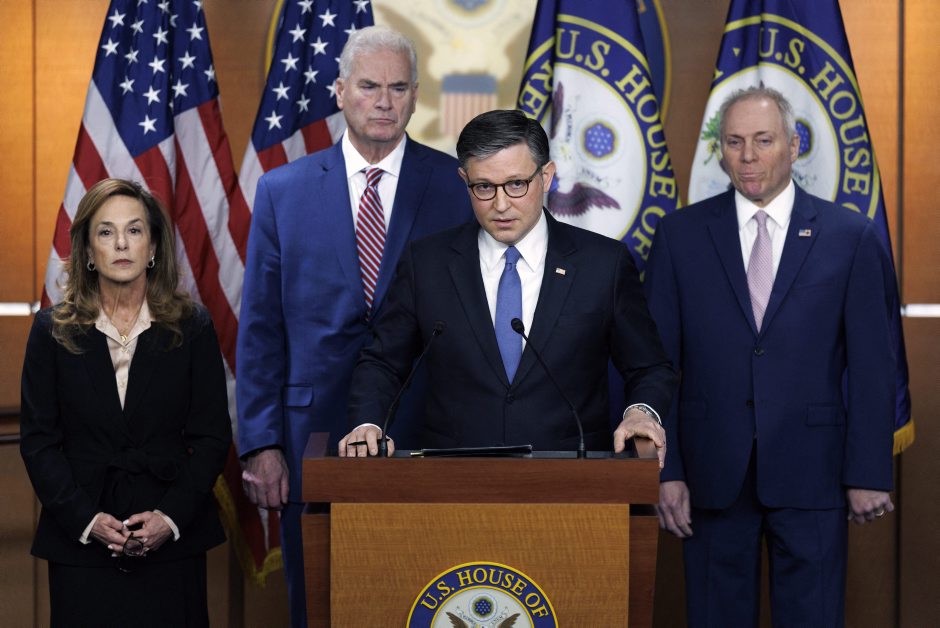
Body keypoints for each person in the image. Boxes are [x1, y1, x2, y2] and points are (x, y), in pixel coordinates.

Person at [235, 25, 473, 626]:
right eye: (369, 86)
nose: (384, 102)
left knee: (423, 599)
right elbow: (260, 329)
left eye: (398, 88)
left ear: (416, 97)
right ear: (340, 91)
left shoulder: (455, 187)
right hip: (309, 437)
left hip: (427, 432)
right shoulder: (282, 191)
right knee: (319, 601)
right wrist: (261, 443)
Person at [645, 86, 897, 627]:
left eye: (763, 140)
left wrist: (869, 472)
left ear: (794, 145)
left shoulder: (849, 237)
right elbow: (656, 367)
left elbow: (875, 369)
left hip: (816, 473)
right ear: (720, 150)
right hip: (710, 476)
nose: (748, 156)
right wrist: (665, 471)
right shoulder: (679, 236)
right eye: (734, 142)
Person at [339, 109, 676, 461]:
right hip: (453, 475)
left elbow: (649, 368)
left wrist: (641, 412)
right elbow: (382, 363)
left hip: (571, 476)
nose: (501, 205)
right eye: (484, 187)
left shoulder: (603, 264)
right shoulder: (426, 263)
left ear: (546, 176)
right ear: (464, 180)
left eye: (516, 184)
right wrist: (367, 423)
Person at [19, 178, 231, 627]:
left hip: (171, 542)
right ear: (87, 250)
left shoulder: (191, 326)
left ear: (152, 247)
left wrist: (168, 518)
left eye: (134, 230)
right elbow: (39, 443)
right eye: (106, 231)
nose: (121, 243)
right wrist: (87, 520)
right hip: (81, 544)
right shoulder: (51, 331)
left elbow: (212, 437)